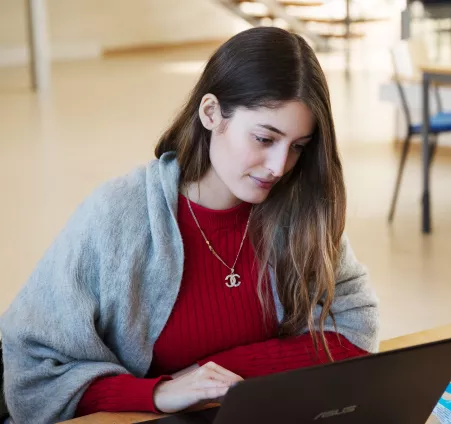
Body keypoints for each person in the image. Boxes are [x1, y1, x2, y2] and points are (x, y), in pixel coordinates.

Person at [0, 27, 379, 423]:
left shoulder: (297, 210)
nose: (279, 167)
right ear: (211, 113)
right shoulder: (119, 216)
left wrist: (213, 373)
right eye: (265, 139)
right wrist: (159, 392)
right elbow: (36, 374)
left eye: (298, 146)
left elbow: (356, 329)